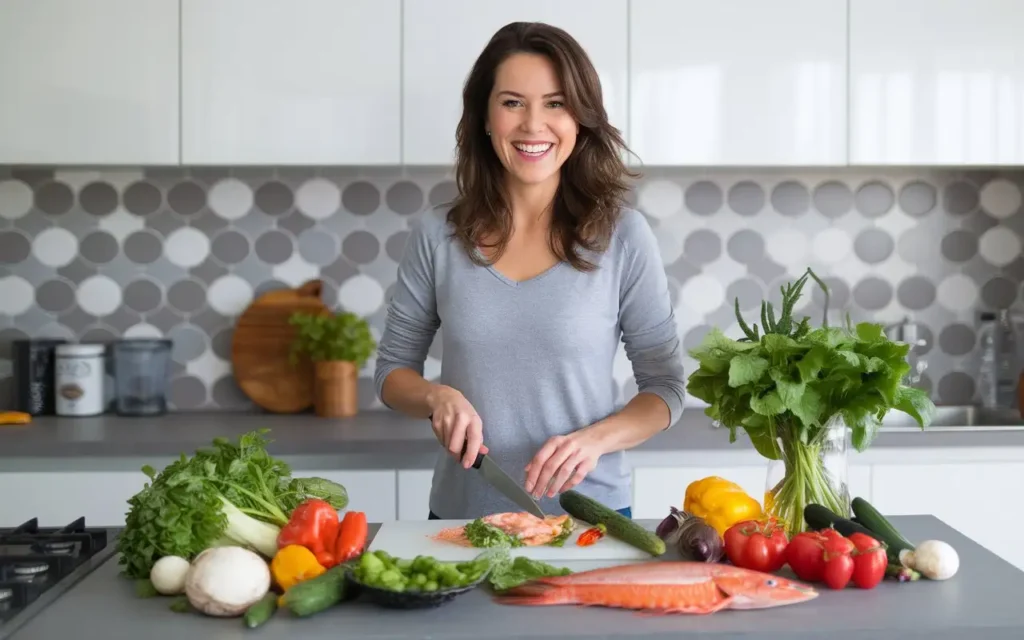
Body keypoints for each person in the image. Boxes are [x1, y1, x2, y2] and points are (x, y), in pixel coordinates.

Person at [373, 21, 686, 521]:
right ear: (485, 117)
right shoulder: (437, 235)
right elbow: (392, 373)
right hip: (463, 517)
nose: (533, 125)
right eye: (513, 102)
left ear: (580, 119)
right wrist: (437, 396)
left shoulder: (623, 236)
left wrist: (594, 441)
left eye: (556, 103)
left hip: (590, 518)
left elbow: (666, 387)